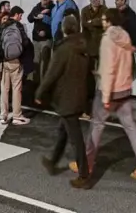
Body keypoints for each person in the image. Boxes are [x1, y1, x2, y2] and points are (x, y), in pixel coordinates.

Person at [84, 7, 136, 180]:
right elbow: (127, 64)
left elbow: (109, 69)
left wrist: (106, 97)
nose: (102, 23)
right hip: (125, 89)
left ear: (109, 21)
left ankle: (86, 163)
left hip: (110, 90)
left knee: (96, 125)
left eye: (104, 20)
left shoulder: (108, 39)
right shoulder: (125, 36)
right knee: (131, 127)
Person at [36, 15, 92, 189]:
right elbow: (89, 75)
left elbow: (51, 74)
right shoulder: (83, 46)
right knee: (64, 130)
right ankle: (53, 162)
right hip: (78, 96)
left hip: (67, 98)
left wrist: (40, 92)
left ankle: (84, 175)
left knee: (75, 138)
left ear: (63, 29)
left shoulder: (64, 49)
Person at [0, 6, 31, 126]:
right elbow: (25, 42)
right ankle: (17, 115)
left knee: (4, 89)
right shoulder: (18, 26)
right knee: (16, 88)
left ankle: (3, 115)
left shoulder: (3, 25)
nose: (21, 18)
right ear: (16, 14)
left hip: (4, 61)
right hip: (16, 61)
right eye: (20, 15)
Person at [28, 0, 54, 84]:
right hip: (36, 40)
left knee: (44, 62)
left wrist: (46, 33)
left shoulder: (53, 8)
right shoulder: (37, 7)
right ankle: (35, 83)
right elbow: (29, 18)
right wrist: (39, 14)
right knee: (36, 61)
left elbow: (54, 23)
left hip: (47, 39)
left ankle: (43, 83)